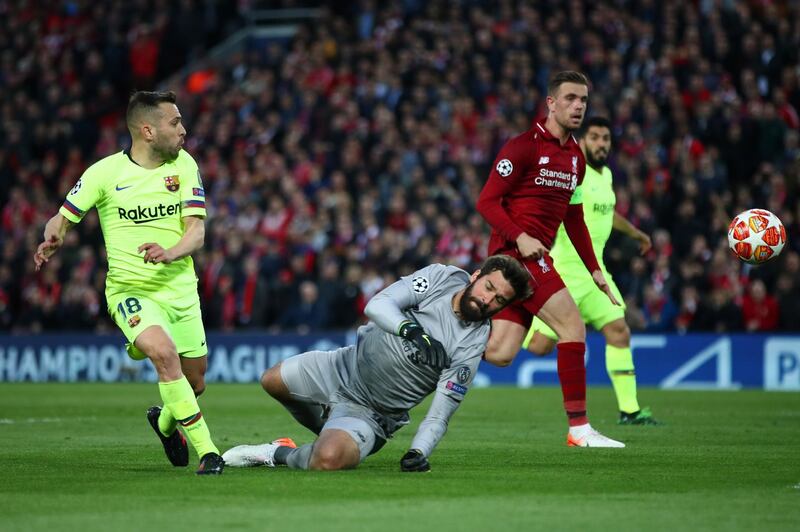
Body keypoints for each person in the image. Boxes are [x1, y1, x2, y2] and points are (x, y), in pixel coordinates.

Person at [33, 90, 223, 474]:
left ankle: (165, 422)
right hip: (131, 291)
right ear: (148, 131)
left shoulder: (184, 165)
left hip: (180, 289)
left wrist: (170, 252)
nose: (184, 130)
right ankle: (209, 453)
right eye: (175, 123)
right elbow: (63, 216)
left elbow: (197, 233)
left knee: (195, 383)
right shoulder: (104, 174)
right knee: (164, 355)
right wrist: (54, 235)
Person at [221, 255, 531, 472]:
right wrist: (412, 330)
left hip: (372, 412)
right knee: (271, 380)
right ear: (476, 276)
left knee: (326, 460)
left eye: (499, 301)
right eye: (489, 288)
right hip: (344, 366)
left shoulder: (473, 343)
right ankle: (330, 431)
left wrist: (418, 452)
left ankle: (276, 453)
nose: (488, 301)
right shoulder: (441, 277)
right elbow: (378, 305)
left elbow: (442, 411)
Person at [476, 71, 624, 447]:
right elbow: (487, 202)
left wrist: (595, 270)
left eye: (584, 100)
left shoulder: (575, 157)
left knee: (500, 353)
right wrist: (520, 237)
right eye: (571, 98)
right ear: (552, 103)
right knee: (573, 328)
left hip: (533, 257)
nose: (578, 106)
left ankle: (434, 342)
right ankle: (579, 429)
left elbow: (574, 219)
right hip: (514, 257)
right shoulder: (522, 147)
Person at [523, 117, 658, 425]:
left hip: (596, 274)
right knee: (538, 348)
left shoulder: (606, 174)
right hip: (566, 272)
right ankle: (515, 317)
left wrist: (635, 232)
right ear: (582, 141)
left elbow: (607, 213)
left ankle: (630, 410)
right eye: (595, 137)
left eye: (606, 138)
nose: (602, 144)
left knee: (619, 332)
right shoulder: (573, 172)